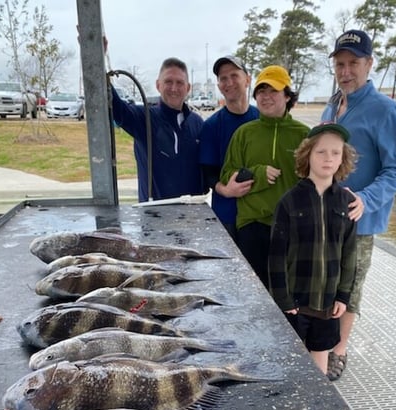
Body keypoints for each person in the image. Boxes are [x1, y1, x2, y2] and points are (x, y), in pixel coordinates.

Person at [322, 29, 396, 380]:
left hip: (359, 220)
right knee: (327, 281)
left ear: (369, 64)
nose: (346, 71)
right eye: (340, 64)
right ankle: (323, 339)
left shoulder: (386, 110)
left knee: (350, 286)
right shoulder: (332, 105)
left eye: (354, 63)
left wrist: (366, 199)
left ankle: (339, 351)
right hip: (326, 217)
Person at [269, 122, 358, 375]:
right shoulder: (288, 202)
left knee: (320, 358)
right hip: (295, 302)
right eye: (321, 152)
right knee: (292, 361)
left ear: (343, 158)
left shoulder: (348, 202)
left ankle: (317, 406)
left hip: (329, 304)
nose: (328, 158)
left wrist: (343, 295)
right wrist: (282, 298)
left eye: (335, 153)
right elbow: (276, 256)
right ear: (307, 154)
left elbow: (350, 254)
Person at [219, 65, 310, 287]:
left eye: (273, 91)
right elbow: (227, 174)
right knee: (254, 290)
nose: (266, 97)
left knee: (286, 294)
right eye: (261, 91)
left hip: (291, 227)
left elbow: (315, 181)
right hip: (252, 224)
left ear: (287, 96)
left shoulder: (304, 135)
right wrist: (258, 174)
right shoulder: (244, 133)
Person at [110, 57, 205, 202]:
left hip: (192, 217)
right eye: (168, 82)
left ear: (188, 88)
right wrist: (96, 55)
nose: (174, 88)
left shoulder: (197, 123)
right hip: (154, 216)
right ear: (158, 85)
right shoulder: (144, 118)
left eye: (180, 83)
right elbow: (116, 107)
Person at [199, 55, 259, 240]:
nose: (229, 82)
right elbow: (208, 173)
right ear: (219, 86)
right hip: (226, 217)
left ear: (247, 80)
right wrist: (226, 190)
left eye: (234, 75)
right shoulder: (211, 126)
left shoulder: (262, 119)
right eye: (223, 78)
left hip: (259, 216)